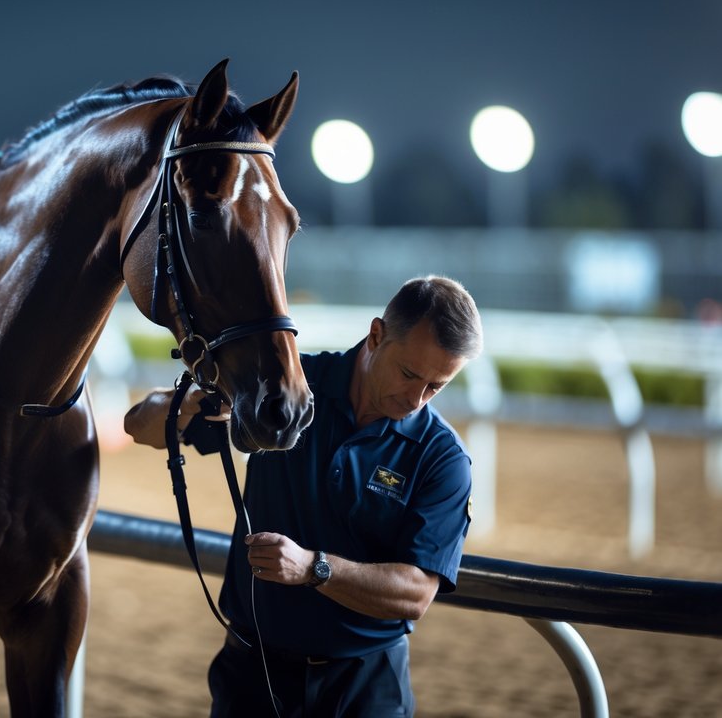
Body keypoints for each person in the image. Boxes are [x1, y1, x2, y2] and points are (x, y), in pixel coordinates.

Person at [124, 275, 483, 717]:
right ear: (376, 335)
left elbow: (413, 595)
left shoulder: (443, 459)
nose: (416, 399)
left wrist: (314, 567)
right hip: (253, 677)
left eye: (436, 387)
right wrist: (196, 403)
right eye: (409, 374)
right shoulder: (286, 388)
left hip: (366, 688)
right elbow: (138, 427)